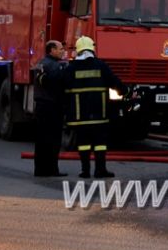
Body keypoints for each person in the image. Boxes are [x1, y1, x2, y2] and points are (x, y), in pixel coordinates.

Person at [62, 36, 126, 178]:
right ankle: (100, 170)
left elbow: (62, 85)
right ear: (92, 49)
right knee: (100, 143)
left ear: (78, 50)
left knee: (83, 142)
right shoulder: (101, 65)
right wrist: (124, 91)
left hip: (80, 114)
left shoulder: (71, 67)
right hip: (99, 112)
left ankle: (85, 171)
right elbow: (114, 81)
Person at [33, 40, 67, 177]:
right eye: (60, 49)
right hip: (51, 106)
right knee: (53, 139)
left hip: (42, 106)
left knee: (41, 140)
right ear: (52, 50)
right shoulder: (53, 66)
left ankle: (40, 170)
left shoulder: (41, 63)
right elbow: (49, 82)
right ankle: (52, 169)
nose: (63, 51)